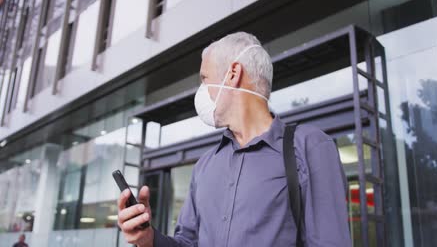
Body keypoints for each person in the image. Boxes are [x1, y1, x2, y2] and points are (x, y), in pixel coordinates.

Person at [117, 32, 352, 247]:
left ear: (233, 73)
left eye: (204, 78)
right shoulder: (204, 166)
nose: (201, 90)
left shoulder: (309, 146)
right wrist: (149, 239)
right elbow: (188, 242)